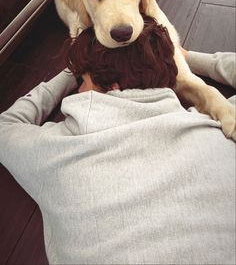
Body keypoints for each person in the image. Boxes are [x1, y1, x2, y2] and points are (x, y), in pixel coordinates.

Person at [0, 16, 235, 265]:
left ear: (111, 86)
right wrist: (188, 59)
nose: (80, 87)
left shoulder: (60, 149)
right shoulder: (216, 130)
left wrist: (68, 74)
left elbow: (5, 126)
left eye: (84, 80)